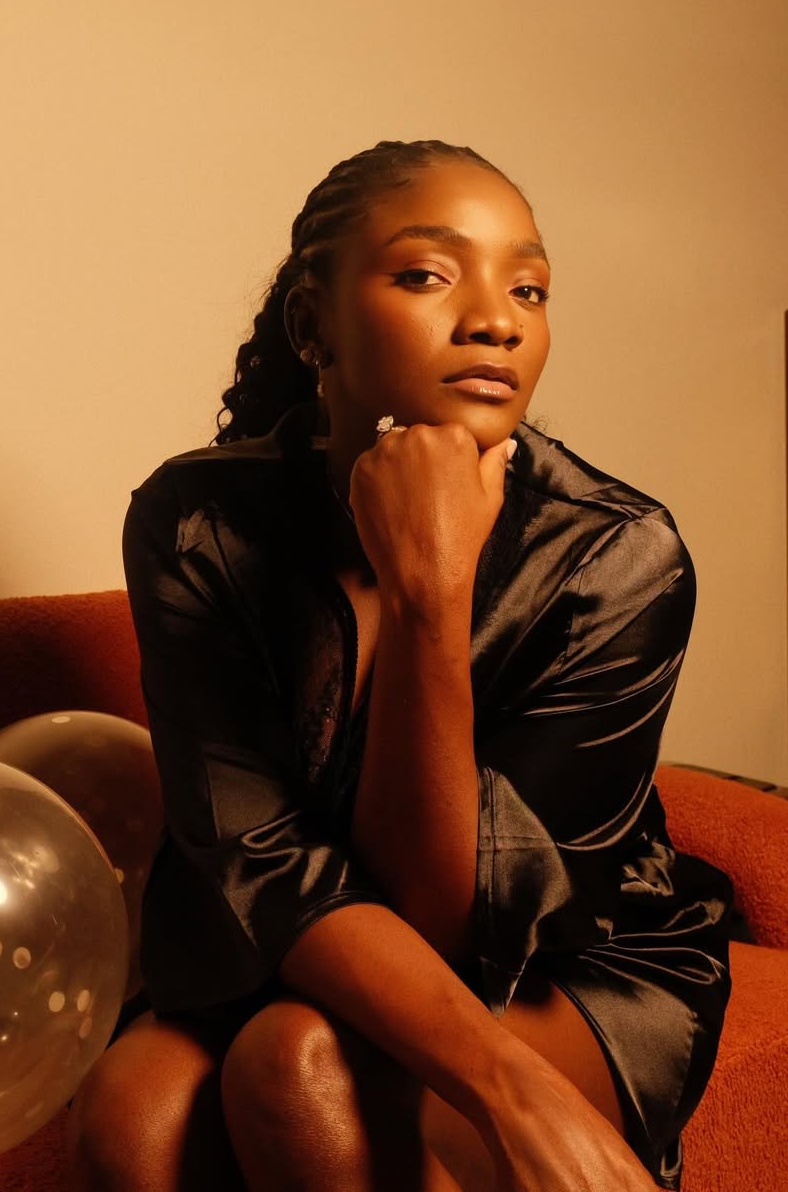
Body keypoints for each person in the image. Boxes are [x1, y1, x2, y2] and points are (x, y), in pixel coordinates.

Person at [64, 140, 733, 1190]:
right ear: (310, 324)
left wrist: (433, 590)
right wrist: (515, 1095)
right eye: (428, 274)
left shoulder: (616, 554)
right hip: (288, 941)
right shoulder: (195, 524)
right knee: (134, 1114)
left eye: (530, 288)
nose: (497, 320)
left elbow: (453, 914)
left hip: (565, 967)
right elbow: (260, 859)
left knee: (297, 1067)